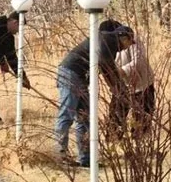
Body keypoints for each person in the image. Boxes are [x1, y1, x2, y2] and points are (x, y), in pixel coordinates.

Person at [55, 20, 130, 167]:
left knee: (84, 118)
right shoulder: (109, 41)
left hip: (81, 78)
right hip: (70, 74)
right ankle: (60, 154)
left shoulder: (107, 41)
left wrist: (116, 87)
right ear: (124, 37)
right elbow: (107, 67)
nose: (130, 45)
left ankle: (86, 159)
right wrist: (118, 88)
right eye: (130, 41)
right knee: (67, 114)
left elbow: (106, 68)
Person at [113, 25, 154, 137]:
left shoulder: (133, 41)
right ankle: (115, 139)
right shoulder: (108, 44)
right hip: (122, 85)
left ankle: (140, 140)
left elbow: (138, 60)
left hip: (143, 84)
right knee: (117, 114)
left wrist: (123, 70)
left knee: (142, 116)